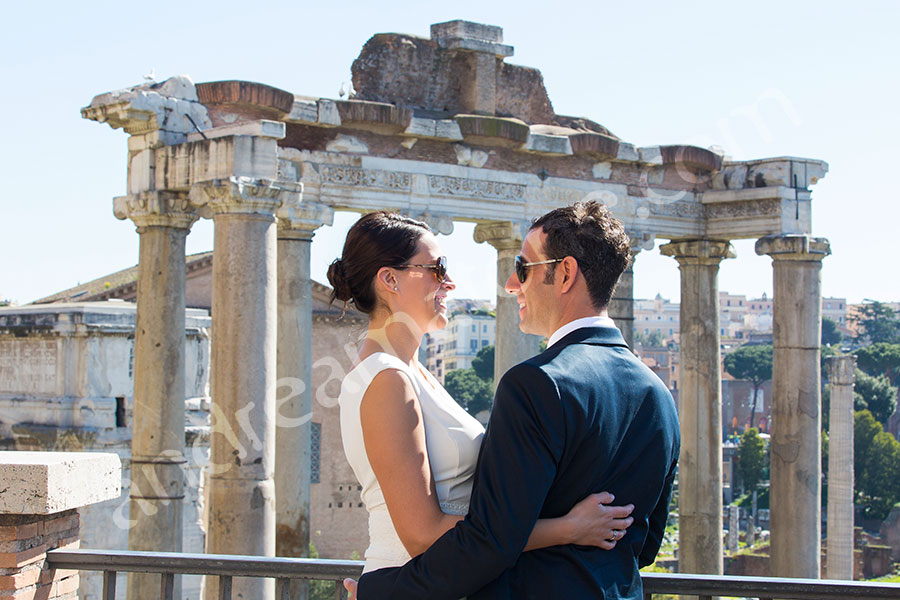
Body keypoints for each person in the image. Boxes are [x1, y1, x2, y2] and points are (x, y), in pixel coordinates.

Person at [348, 201, 681, 599]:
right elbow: (644, 544)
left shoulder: (535, 384)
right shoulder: (660, 395)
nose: (509, 283)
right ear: (388, 280)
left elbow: (493, 539)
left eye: (522, 268)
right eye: (438, 269)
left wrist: (381, 593)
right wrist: (572, 529)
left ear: (565, 273)